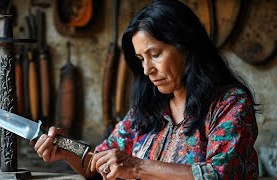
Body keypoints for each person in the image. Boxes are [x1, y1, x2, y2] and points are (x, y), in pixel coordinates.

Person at [34, 0, 259, 179]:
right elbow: (97, 164)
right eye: (141, 58)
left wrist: (137, 167)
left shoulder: (229, 104)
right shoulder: (148, 109)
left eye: (155, 54)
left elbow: (221, 175)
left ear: (187, 46)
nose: (147, 69)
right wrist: (67, 153)